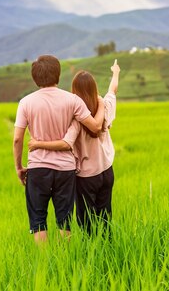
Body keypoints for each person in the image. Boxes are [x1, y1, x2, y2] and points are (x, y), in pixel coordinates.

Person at [13, 55, 105, 243]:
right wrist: (102, 104)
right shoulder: (72, 100)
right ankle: (65, 260)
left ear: (35, 78)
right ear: (58, 74)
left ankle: (46, 265)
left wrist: (19, 167)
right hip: (65, 169)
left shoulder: (26, 102)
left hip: (38, 167)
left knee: (38, 220)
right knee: (65, 220)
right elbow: (95, 127)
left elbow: (17, 139)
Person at [29, 59, 120, 235]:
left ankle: (91, 255)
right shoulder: (105, 106)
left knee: (86, 222)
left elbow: (66, 144)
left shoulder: (75, 118)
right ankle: (107, 250)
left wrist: (37, 143)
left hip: (85, 177)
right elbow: (113, 89)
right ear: (94, 89)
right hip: (107, 171)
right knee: (105, 217)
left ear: (74, 92)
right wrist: (115, 72)